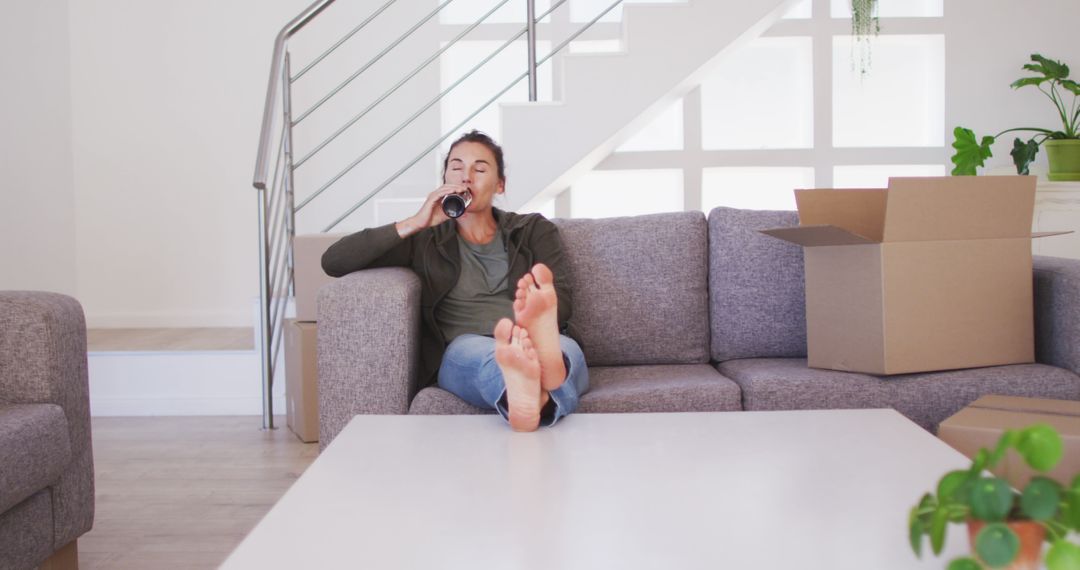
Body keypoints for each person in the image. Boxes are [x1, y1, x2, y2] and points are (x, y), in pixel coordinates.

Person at [321, 131, 589, 432]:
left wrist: (536, 326)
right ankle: (540, 378)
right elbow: (333, 261)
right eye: (457, 167)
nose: (466, 177)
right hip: (465, 345)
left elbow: (562, 302)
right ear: (445, 178)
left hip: (534, 337)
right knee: (489, 357)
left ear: (500, 184)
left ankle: (530, 392)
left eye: (480, 168)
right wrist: (415, 221)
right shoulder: (425, 240)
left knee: (565, 348)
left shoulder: (533, 230)